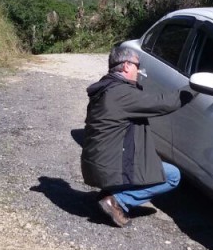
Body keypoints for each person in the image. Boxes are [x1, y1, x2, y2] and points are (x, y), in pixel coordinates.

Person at [81, 45, 192, 227]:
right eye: (136, 65)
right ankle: (117, 200)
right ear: (125, 66)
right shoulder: (121, 93)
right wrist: (192, 89)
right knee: (173, 176)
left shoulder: (105, 88)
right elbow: (163, 103)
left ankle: (110, 192)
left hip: (96, 166)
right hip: (108, 168)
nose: (139, 71)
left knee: (144, 161)